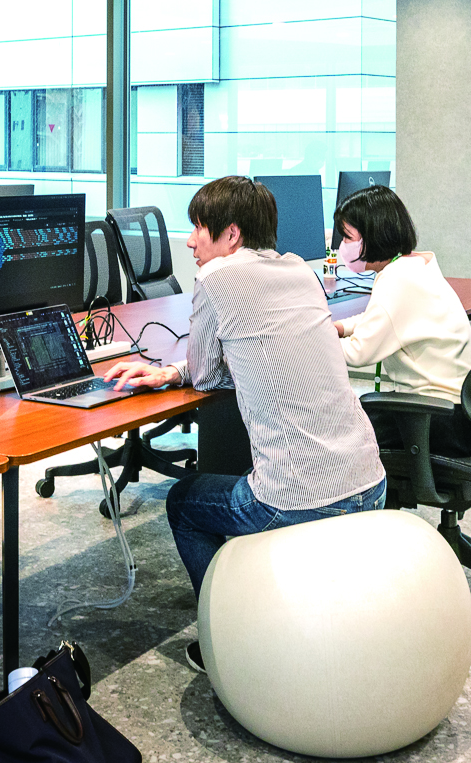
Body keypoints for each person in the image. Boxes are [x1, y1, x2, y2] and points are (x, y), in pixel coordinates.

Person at [105, 176, 386, 673]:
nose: (190, 242)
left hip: (300, 498)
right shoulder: (299, 270)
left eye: (198, 228)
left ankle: (227, 640)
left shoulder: (217, 278)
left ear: (231, 234)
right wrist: (175, 371)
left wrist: (176, 371)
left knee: (184, 502)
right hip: (371, 481)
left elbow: (207, 374)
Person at [332, 184, 471, 457]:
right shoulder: (415, 264)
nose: (342, 246)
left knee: (338, 431)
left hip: (440, 418)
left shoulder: (397, 279)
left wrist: (311, 341)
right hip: (467, 413)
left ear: (373, 235)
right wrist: (342, 327)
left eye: (347, 238)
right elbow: (385, 316)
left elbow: (358, 353)